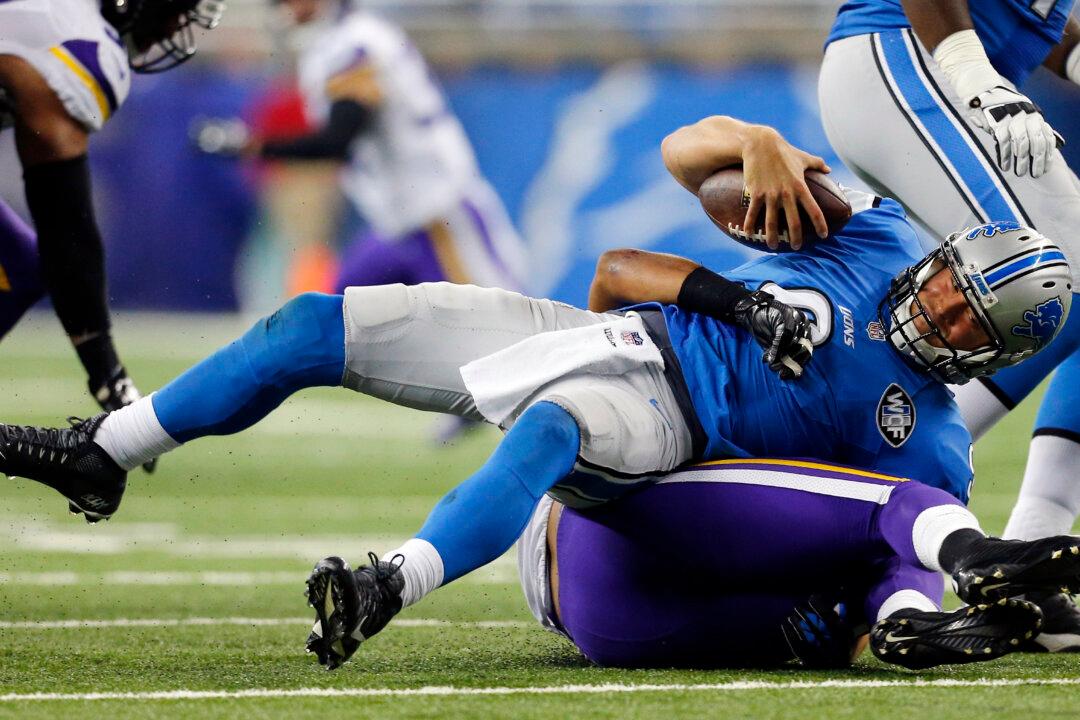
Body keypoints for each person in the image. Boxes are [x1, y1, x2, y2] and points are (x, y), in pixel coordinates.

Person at [0, 116, 1070, 669]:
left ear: (984, 363)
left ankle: (394, 582)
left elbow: (885, 544)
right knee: (315, 325)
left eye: (976, 326)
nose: (945, 313)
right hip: (613, 333)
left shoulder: (929, 441)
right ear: (944, 255)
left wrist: (895, 617)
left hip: (671, 428)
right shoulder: (871, 235)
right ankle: (114, 447)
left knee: (559, 424)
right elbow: (679, 158)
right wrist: (754, 143)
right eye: (957, 288)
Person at [819, 0, 1080, 648]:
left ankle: (1027, 563)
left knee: (1071, 288)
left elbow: (1029, 14)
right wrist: (969, 67)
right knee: (1070, 275)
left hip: (933, 67)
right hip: (904, 56)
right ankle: (857, 481)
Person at [517, 458, 1080, 670]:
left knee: (843, 600)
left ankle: (905, 618)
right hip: (610, 556)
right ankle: (962, 560)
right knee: (902, 507)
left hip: (597, 607)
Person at [0, 0, 224, 470]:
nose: (178, 22)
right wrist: (107, 370)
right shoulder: (75, 35)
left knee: (18, 268)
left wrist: (106, 372)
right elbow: (64, 220)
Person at [191, 0, 527, 296]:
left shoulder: (354, 44)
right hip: (396, 226)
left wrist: (250, 145)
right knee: (337, 327)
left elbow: (336, 140)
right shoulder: (336, 44)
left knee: (500, 339)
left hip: (441, 219)